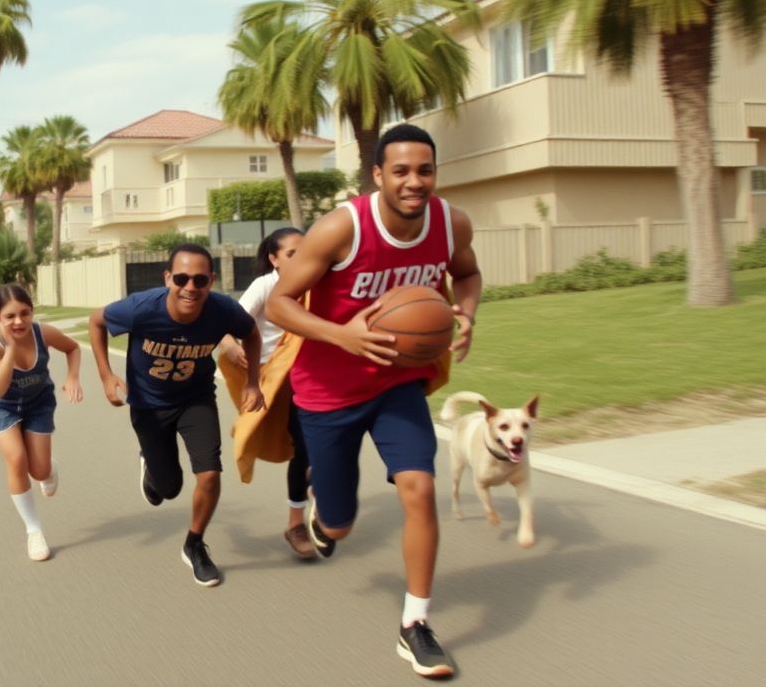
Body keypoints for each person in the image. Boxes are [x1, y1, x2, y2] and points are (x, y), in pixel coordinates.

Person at [266, 123, 482, 679]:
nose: (415, 182)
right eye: (402, 171)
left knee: (421, 487)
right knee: (339, 527)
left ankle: (416, 626)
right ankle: (324, 515)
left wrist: (466, 312)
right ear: (378, 175)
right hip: (327, 391)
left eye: (425, 170)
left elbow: (469, 273)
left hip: (395, 385)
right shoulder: (341, 228)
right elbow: (281, 304)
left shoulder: (450, 223)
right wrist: (343, 335)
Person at [89, 243, 265, 587]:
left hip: (195, 399)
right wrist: (106, 376)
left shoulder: (222, 310)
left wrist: (253, 383)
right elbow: (96, 321)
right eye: (181, 278)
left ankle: (194, 545)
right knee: (169, 488)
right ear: (168, 277)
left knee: (210, 473)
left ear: (211, 281)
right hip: (149, 405)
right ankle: (151, 464)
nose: (190, 287)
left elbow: (252, 335)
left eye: (200, 280)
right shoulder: (141, 308)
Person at [219, 227, 316, 559]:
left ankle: (301, 518)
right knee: (300, 447)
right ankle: (299, 519)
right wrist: (231, 347)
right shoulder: (264, 286)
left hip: (309, 378)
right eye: (292, 254)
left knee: (310, 447)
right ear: (274, 259)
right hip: (271, 379)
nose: (302, 259)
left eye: (306, 252)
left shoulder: (316, 287)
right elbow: (230, 326)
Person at [0, 283, 83, 562]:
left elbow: (73, 348)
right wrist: (10, 349)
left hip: (38, 403)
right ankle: (34, 530)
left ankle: (47, 467)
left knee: (39, 470)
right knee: (16, 459)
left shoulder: (42, 333)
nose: (19, 321)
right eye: (9, 316)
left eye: (25, 313)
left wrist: (72, 377)